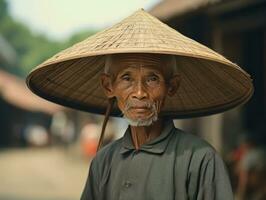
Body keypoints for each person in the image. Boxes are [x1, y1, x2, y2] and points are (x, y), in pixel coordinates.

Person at [26, 9, 253, 200]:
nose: (139, 93)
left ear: (171, 86)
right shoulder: (104, 161)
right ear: (108, 87)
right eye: (126, 78)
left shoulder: (201, 159)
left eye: (153, 79)